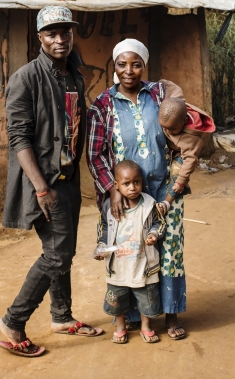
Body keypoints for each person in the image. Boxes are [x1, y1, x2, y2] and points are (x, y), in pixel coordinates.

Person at [0, 6, 102, 358]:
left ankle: (62, 316)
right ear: (39, 37)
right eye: (52, 34)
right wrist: (42, 187)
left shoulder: (74, 75)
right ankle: (14, 320)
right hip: (45, 182)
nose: (60, 40)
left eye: (65, 33)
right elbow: (20, 140)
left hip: (68, 178)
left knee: (63, 252)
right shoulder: (26, 78)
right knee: (57, 256)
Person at [86, 38, 187, 340]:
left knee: (168, 251)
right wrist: (112, 189)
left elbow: (184, 129)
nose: (128, 71)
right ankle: (132, 315)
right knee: (131, 251)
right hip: (127, 195)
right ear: (114, 67)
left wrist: (177, 179)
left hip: (163, 188)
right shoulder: (102, 105)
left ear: (144, 66)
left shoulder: (158, 94)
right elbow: (95, 154)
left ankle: (171, 314)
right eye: (121, 64)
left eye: (136, 64)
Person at [93, 160, 167, 344]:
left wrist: (153, 234)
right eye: (126, 183)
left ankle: (146, 327)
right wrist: (101, 246)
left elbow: (159, 223)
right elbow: (104, 228)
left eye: (137, 182)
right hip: (118, 266)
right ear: (116, 185)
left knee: (146, 298)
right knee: (117, 299)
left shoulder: (148, 204)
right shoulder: (109, 206)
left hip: (142, 265)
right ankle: (120, 328)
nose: (132, 187)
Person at [157, 97, 215, 215]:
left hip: (182, 156)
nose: (167, 131)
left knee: (177, 171)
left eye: (172, 129)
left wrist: (181, 181)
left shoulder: (191, 139)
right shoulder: (173, 111)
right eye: (164, 127)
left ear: (184, 121)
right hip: (169, 149)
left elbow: (190, 161)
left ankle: (167, 202)